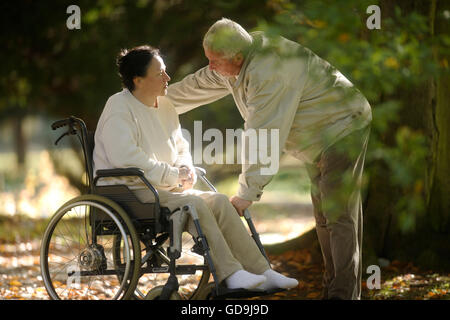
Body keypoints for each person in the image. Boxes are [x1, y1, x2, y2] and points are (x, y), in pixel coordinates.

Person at [166, 18, 372, 300]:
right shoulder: (234, 61)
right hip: (315, 138)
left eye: (214, 61)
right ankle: (333, 287)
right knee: (324, 217)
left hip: (343, 127)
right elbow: (199, 83)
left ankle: (344, 294)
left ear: (236, 57)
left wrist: (247, 192)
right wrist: (155, 99)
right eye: (208, 59)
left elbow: (263, 134)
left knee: (339, 215)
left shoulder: (270, 72)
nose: (210, 66)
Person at [92, 45, 298, 292]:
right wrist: (171, 174)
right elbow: (124, 157)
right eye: (160, 74)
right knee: (194, 204)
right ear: (138, 80)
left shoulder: (165, 106)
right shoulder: (118, 107)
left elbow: (180, 146)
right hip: (130, 189)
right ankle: (231, 274)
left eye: (166, 72)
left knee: (220, 201)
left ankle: (262, 271)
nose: (167, 78)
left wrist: (185, 168)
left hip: (163, 187)